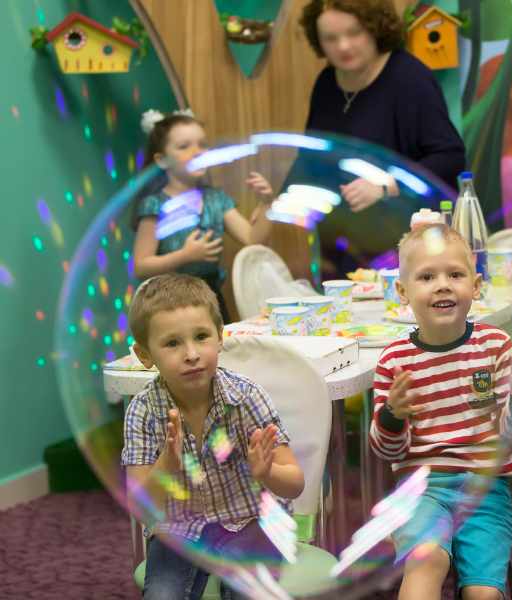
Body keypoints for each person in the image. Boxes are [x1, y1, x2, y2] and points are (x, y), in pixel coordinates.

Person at [369, 223, 512, 600]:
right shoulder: (394, 360)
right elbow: (387, 451)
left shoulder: (495, 346)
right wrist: (393, 415)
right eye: (427, 276)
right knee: (426, 560)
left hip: (486, 489)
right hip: (421, 490)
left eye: (455, 274)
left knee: (483, 593)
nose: (443, 284)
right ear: (403, 292)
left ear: (475, 286)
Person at [122, 273, 304, 600]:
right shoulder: (143, 411)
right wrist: (166, 465)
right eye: (172, 343)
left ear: (220, 337)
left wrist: (267, 473)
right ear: (145, 354)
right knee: (163, 594)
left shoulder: (247, 398)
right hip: (178, 529)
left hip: (253, 521)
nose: (191, 354)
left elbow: (295, 483)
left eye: (201, 336)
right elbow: (140, 507)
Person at [295, 0, 467, 276]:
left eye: (353, 33)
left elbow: (450, 157)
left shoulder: (409, 78)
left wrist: (386, 184)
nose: (343, 46)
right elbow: (312, 156)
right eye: (331, 38)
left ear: (375, 28)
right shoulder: (326, 83)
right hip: (344, 251)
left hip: (411, 250)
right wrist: (278, 196)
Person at [131, 109, 273, 323]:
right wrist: (185, 256)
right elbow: (141, 266)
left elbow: (253, 239)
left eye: (202, 144)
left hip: (210, 302)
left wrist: (267, 203)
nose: (197, 152)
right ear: (162, 160)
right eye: (184, 146)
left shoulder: (216, 200)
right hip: (168, 307)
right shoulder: (155, 205)